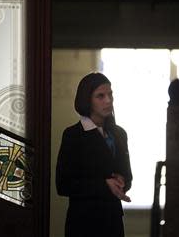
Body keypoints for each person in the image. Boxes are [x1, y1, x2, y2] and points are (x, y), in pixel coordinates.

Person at [56, 72, 133, 237]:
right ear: (87, 100)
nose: (108, 100)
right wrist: (105, 184)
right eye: (101, 96)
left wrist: (122, 181)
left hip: (113, 221)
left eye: (110, 94)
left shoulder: (120, 134)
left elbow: (127, 175)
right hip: (84, 222)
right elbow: (63, 185)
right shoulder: (73, 135)